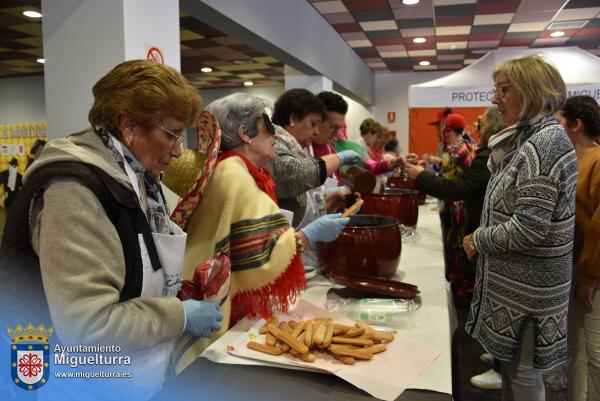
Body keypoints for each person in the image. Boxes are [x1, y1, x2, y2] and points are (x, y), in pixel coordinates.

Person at [0, 60, 218, 400]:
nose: (178, 151)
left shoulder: (135, 177)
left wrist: (172, 290)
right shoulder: (74, 192)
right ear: (129, 125)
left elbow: (130, 263)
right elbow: (90, 327)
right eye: (171, 134)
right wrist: (179, 316)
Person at [172, 92, 349, 373]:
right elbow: (255, 256)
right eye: (267, 125)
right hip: (219, 309)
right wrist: (306, 236)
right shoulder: (234, 173)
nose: (275, 135)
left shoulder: (238, 169)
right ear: (245, 133)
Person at [463, 54, 578, 401]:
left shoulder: (543, 144)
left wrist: (478, 238)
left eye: (504, 90)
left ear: (531, 91)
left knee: (524, 376)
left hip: (529, 290)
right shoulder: (532, 139)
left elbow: (529, 228)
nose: (495, 99)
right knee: (516, 373)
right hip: (521, 287)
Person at [266, 88, 362, 227]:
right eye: (313, 124)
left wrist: (332, 199)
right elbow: (296, 174)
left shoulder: (298, 149)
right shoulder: (275, 146)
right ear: (293, 119)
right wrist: (338, 158)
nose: (316, 132)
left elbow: (304, 204)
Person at [557, 95, 600, 401]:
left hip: (593, 273)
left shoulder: (596, 161)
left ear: (576, 124)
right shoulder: (575, 160)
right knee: (576, 349)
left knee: (595, 354)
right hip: (578, 267)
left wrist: (589, 276)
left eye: (560, 122)